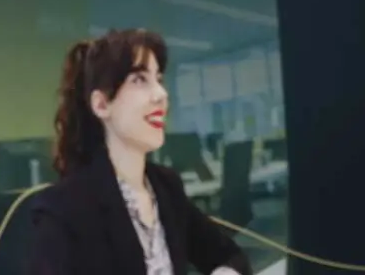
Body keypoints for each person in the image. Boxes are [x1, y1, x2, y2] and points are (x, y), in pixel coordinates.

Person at [27, 28, 253, 275]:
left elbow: (230, 256)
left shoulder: (165, 188)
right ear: (102, 105)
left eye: (159, 79)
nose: (161, 94)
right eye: (139, 80)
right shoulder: (64, 209)